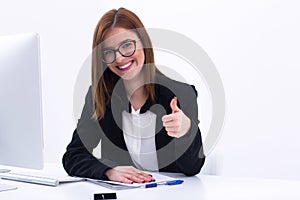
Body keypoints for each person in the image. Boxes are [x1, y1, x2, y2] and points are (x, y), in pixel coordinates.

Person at [62, 7, 205, 184]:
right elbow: (73, 156)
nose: (120, 58)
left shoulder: (181, 94)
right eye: (109, 52)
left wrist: (186, 130)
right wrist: (109, 171)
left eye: (127, 45)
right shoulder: (99, 96)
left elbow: (192, 168)